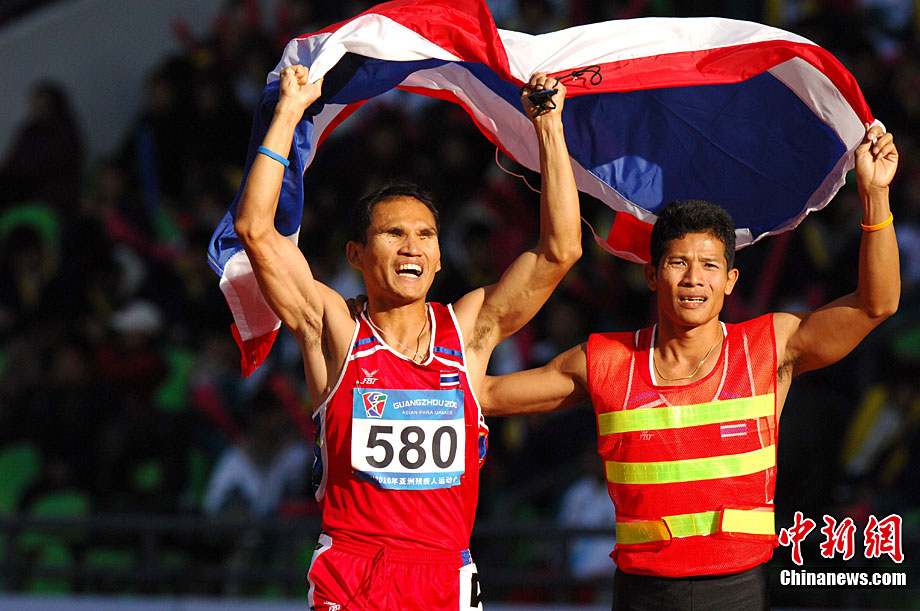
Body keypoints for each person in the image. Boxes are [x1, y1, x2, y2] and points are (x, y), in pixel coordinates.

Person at [480, 125, 899, 610]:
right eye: (678, 263)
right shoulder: (604, 361)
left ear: (730, 280)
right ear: (651, 274)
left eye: (710, 266)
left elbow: (876, 305)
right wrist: (465, 328)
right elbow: (484, 395)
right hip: (641, 593)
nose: (694, 279)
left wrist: (875, 194)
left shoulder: (770, 346)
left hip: (739, 593)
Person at [232, 64, 580, 610]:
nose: (412, 247)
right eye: (393, 233)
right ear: (356, 254)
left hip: (444, 575)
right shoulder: (334, 329)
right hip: (352, 573)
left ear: (439, 258)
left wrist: (549, 128)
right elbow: (255, 229)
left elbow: (561, 250)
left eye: (425, 235)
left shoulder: (468, 331)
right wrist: (288, 113)